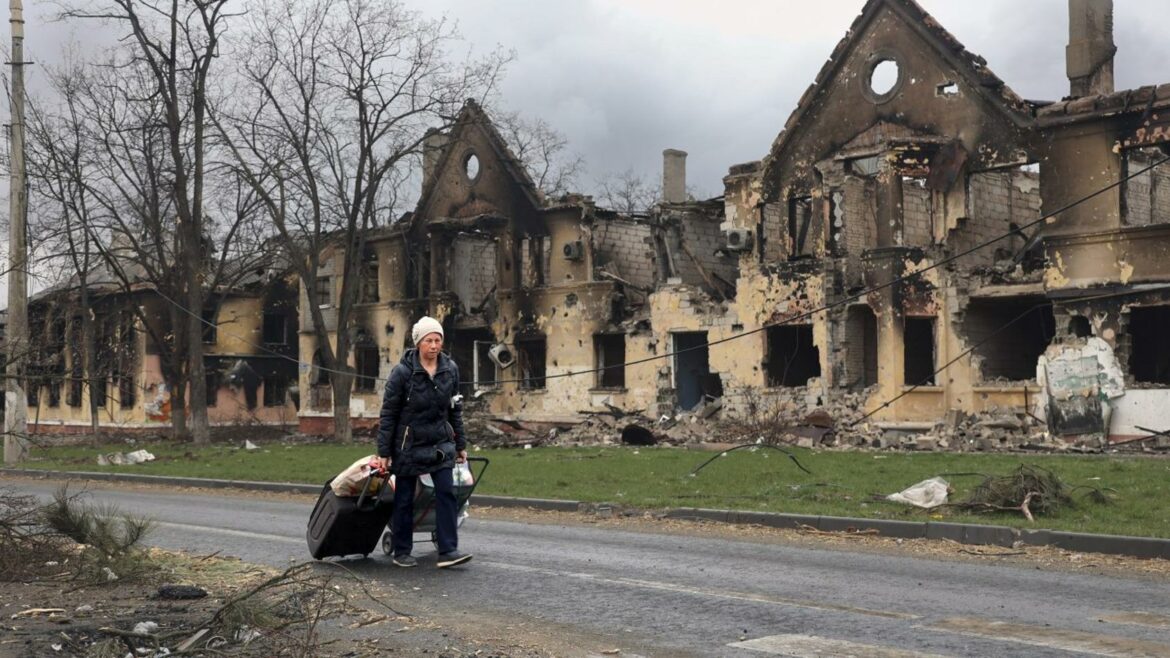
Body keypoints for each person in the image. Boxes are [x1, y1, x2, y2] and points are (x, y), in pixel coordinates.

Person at [376, 316, 471, 568]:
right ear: (418, 343)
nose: (434, 345)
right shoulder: (402, 373)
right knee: (405, 497)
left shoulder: (450, 369)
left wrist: (460, 445)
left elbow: (455, 409)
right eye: (429, 340)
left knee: (446, 492)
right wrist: (384, 452)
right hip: (409, 444)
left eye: (438, 340)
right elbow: (388, 414)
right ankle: (402, 550)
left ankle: (448, 550)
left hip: (440, 442)